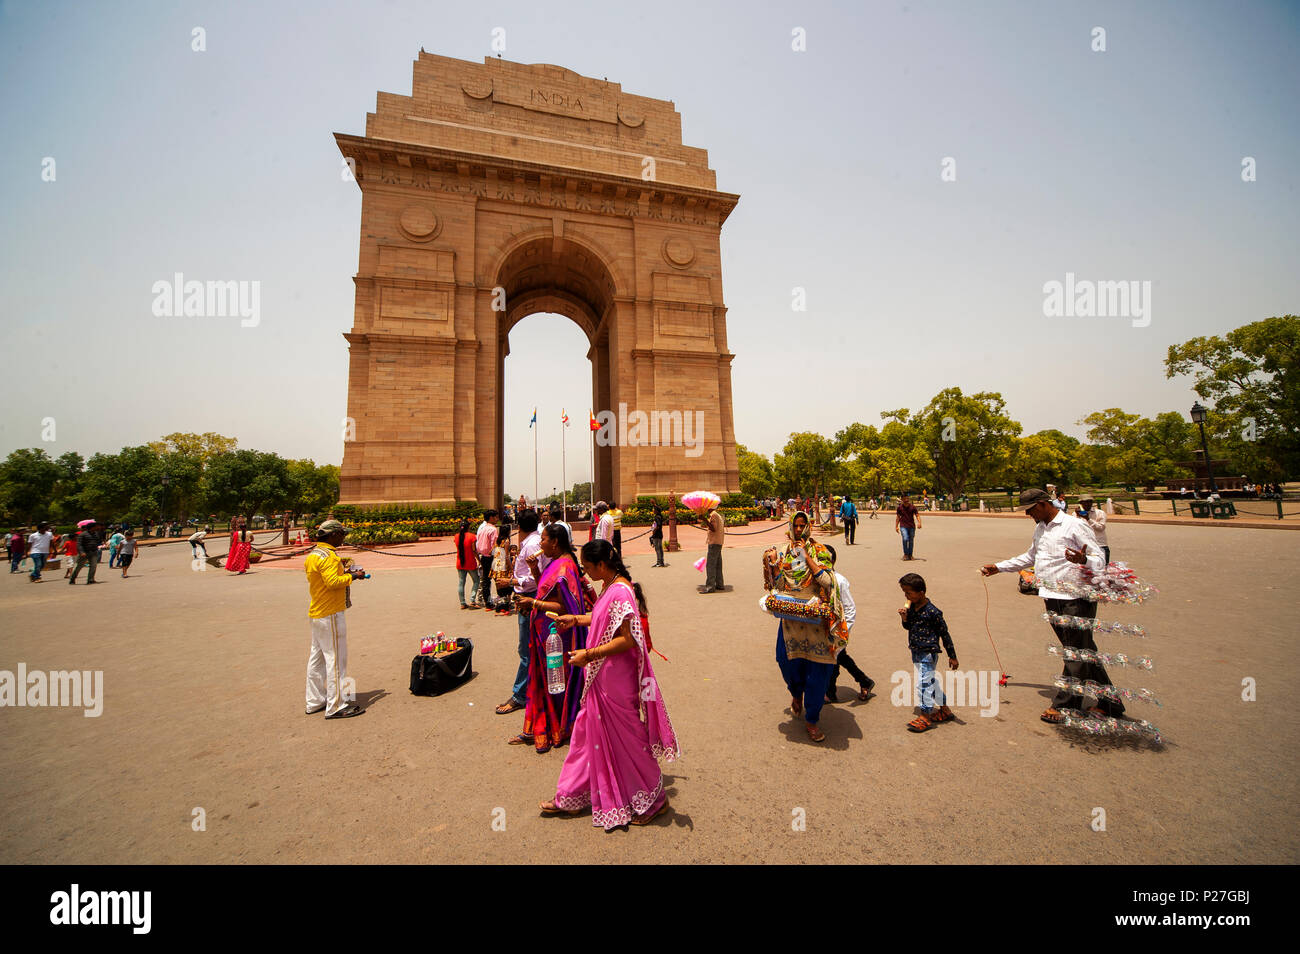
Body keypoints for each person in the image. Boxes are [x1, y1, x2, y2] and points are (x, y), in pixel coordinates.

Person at [539, 540, 679, 828]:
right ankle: (571, 795)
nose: (587, 573)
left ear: (602, 565)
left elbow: (626, 639)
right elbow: (604, 618)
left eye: (589, 568)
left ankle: (655, 799)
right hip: (602, 677)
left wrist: (588, 654)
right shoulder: (610, 585)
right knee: (584, 734)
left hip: (615, 680)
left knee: (629, 739)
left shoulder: (622, 592)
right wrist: (576, 619)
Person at [980, 488, 1119, 723]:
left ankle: (1065, 704)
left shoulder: (1074, 525)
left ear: (1044, 504)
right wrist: (999, 567)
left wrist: (1084, 559)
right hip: (1052, 595)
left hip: (1076, 597)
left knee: (1074, 653)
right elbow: (1031, 557)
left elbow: (1099, 559)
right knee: (1082, 650)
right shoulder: (1040, 528)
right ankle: (1110, 702)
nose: (1028, 514)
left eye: (1030, 509)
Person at [762, 511, 847, 743]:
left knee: (818, 674)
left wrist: (807, 557)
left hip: (817, 621)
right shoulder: (783, 552)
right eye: (795, 526)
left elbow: (829, 582)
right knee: (786, 662)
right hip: (791, 619)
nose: (798, 530)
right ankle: (795, 693)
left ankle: (812, 719)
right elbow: (778, 585)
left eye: (802, 526)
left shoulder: (820, 551)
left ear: (808, 527)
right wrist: (774, 567)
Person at [507, 521, 592, 751]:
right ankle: (551, 726)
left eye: (544, 539)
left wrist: (532, 602)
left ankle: (558, 727)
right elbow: (547, 587)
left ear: (555, 542)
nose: (540, 543)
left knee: (555, 680)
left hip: (557, 636)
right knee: (548, 679)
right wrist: (535, 570)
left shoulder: (565, 567)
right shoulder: (557, 562)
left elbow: (564, 607)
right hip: (545, 633)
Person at [304, 519, 367, 719]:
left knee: (317, 659)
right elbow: (332, 582)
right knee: (336, 660)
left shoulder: (314, 554)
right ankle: (337, 705)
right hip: (331, 613)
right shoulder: (329, 557)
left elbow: (324, 580)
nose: (344, 538)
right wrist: (353, 576)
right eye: (342, 534)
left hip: (318, 611)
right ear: (332, 535)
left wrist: (345, 572)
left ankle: (314, 701)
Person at [496, 509, 544, 717]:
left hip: (529, 599)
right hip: (526, 597)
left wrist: (511, 581)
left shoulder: (532, 545)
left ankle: (520, 695)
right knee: (529, 648)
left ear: (519, 526)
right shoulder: (531, 543)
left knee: (526, 650)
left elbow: (537, 577)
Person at [898, 572, 958, 732]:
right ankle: (945, 709)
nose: (906, 596)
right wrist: (904, 618)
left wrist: (952, 656)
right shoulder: (911, 607)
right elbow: (908, 627)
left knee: (923, 684)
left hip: (928, 653)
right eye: (904, 592)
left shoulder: (933, 612)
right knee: (930, 682)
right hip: (916, 651)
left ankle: (925, 716)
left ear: (921, 593)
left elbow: (945, 634)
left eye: (909, 593)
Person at [822, 545, 874, 703]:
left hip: (837, 629)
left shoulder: (839, 581)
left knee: (834, 658)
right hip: (824, 628)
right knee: (839, 658)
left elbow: (850, 609)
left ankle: (830, 693)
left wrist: (843, 632)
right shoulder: (818, 579)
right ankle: (864, 681)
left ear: (831, 561)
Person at [475, 509, 500, 612]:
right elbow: (494, 545)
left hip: (483, 557)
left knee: (486, 580)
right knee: (498, 579)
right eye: (496, 517)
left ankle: (488, 602)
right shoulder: (493, 530)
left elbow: (478, 544)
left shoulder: (482, 529)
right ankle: (503, 600)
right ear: (491, 517)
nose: (497, 519)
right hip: (491, 557)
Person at [454, 518, 480, 609]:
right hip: (470, 562)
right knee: (476, 581)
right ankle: (472, 600)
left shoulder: (456, 536)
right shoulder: (472, 536)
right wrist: (479, 560)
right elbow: (474, 550)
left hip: (460, 562)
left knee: (461, 582)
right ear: (468, 527)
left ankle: (462, 602)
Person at [1077, 496, 1110, 565]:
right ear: (1080, 503)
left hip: (1100, 545)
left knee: (1103, 568)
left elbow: (1101, 527)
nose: (1088, 504)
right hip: (1085, 546)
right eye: (1085, 502)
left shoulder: (1100, 513)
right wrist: (1078, 516)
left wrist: (1088, 519)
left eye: (1090, 502)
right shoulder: (1076, 514)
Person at [69, 520, 104, 585]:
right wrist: (81, 552)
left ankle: (90, 579)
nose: (97, 527)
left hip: (93, 552)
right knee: (79, 566)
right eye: (96, 527)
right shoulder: (82, 535)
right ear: (92, 527)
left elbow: (97, 541)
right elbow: (79, 545)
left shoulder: (96, 534)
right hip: (85, 553)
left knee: (93, 566)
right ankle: (72, 578)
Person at [702, 502, 725, 593]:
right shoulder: (717, 515)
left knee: (711, 564)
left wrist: (704, 519)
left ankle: (710, 586)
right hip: (719, 542)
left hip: (714, 542)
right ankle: (719, 584)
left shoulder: (713, 515)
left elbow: (713, 528)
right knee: (718, 564)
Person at [894, 492, 921, 560]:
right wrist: (896, 526)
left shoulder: (912, 507)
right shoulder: (900, 508)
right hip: (903, 526)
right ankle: (905, 554)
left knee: (911, 540)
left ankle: (910, 555)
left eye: (907, 498)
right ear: (902, 499)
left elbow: (917, 515)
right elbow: (898, 517)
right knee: (905, 539)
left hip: (911, 526)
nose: (906, 499)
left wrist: (919, 523)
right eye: (905, 498)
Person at [649, 501, 666, 567]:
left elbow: (657, 526)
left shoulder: (657, 517)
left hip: (657, 534)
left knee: (658, 548)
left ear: (656, 511)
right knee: (660, 548)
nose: (653, 510)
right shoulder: (660, 516)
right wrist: (654, 504)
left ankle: (659, 562)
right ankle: (661, 561)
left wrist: (653, 532)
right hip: (659, 534)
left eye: (654, 509)